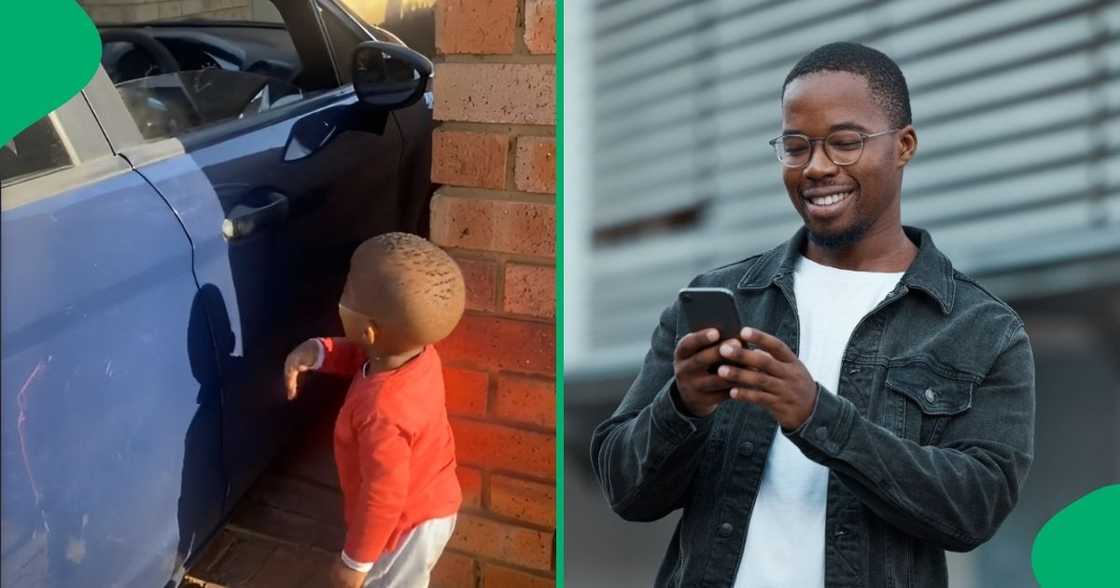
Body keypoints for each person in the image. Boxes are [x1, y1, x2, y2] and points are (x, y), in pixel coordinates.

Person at [590, 42, 1035, 587]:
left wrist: (816, 417)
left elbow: (974, 509)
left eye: (845, 143)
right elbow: (625, 490)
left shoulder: (982, 329)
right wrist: (682, 406)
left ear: (904, 146)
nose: (817, 167)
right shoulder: (722, 296)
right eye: (796, 146)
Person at [285, 232, 465, 588]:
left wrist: (355, 563)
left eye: (348, 290)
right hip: (430, 500)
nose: (342, 292)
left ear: (369, 330)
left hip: (405, 526)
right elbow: (362, 354)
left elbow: (382, 497)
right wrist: (317, 352)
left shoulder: (384, 412)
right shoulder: (417, 354)